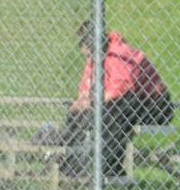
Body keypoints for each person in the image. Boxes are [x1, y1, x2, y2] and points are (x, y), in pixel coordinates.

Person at [58, 21, 173, 178]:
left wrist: (92, 102)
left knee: (114, 110)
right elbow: (86, 87)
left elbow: (121, 88)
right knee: (77, 115)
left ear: (93, 42)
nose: (82, 49)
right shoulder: (94, 58)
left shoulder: (118, 52)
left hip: (154, 104)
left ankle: (110, 169)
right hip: (123, 102)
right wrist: (80, 103)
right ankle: (72, 168)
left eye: (83, 43)